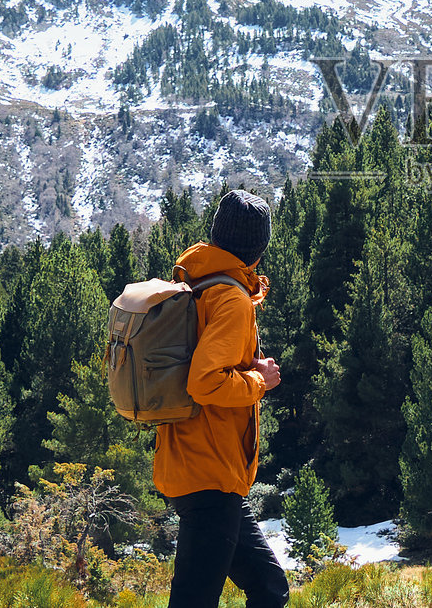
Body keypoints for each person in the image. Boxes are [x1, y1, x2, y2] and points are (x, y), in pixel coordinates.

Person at [155, 189, 289, 608]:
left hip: (192, 464)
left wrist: (247, 370)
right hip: (210, 472)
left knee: (269, 588)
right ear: (258, 251)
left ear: (215, 234)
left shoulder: (194, 282)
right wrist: (259, 380)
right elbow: (205, 383)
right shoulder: (231, 299)